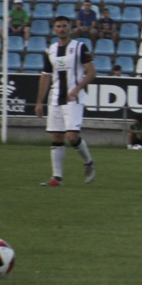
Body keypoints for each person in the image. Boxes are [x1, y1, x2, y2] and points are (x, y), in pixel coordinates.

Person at [35, 16, 97, 187]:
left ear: (70, 28)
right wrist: (39, 102)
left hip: (73, 98)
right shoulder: (51, 50)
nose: (61, 29)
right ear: (54, 30)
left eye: (64, 26)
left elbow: (92, 72)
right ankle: (57, 178)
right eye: (58, 26)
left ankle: (89, 162)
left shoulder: (79, 47)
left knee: (71, 136)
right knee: (56, 136)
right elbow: (46, 76)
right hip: (55, 98)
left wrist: (77, 89)